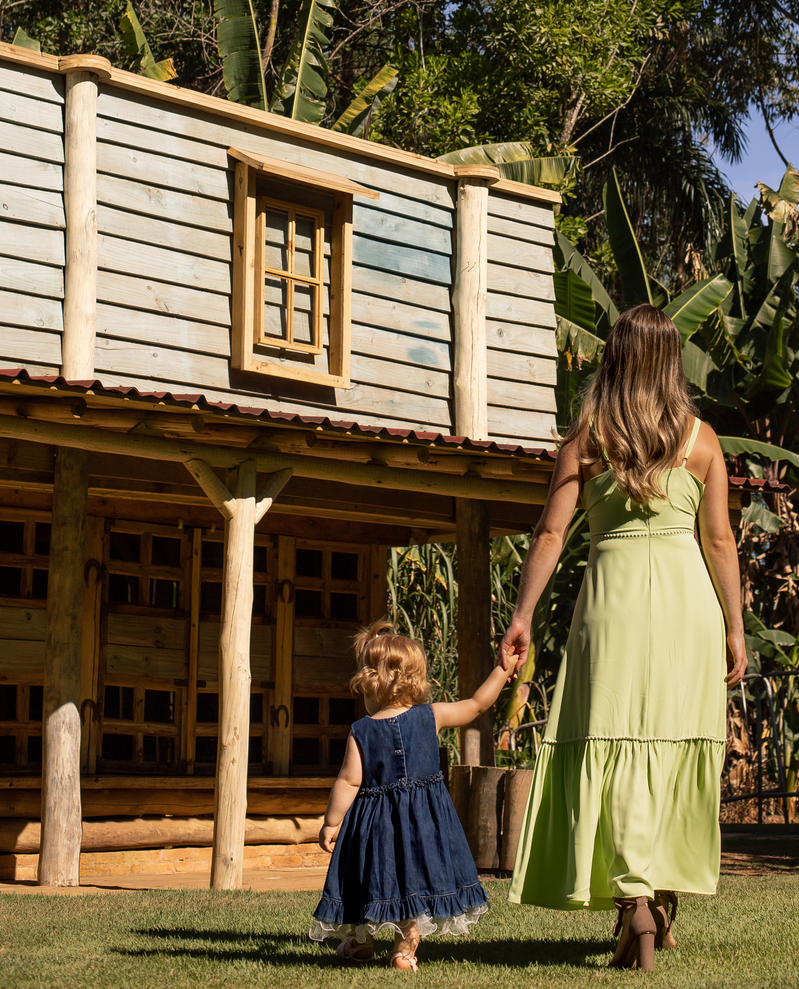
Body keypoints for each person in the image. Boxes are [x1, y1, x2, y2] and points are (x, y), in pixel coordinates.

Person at [501, 303, 747, 971]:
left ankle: (637, 903)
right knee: (669, 746)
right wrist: (734, 626)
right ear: (671, 363)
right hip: (687, 608)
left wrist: (522, 616)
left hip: (613, 606)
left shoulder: (588, 440)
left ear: (614, 359)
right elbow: (719, 541)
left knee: (612, 742)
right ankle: (653, 900)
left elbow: (551, 535)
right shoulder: (703, 441)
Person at [310, 619, 513, 971]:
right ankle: (404, 951)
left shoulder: (361, 730)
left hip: (375, 826)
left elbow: (349, 781)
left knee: (370, 877)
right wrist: (502, 669)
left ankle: (361, 943)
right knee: (413, 881)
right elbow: (477, 704)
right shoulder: (431, 715)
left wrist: (331, 822)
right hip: (425, 822)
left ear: (370, 681)